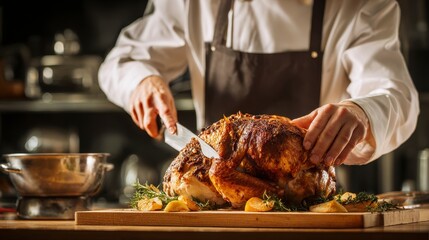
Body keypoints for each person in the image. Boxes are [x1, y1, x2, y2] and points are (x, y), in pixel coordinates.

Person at [98, 0, 419, 167]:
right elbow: (122, 60)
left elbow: (396, 95)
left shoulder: (360, 5)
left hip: (310, 208)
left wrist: (362, 112)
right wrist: (142, 81)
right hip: (214, 206)